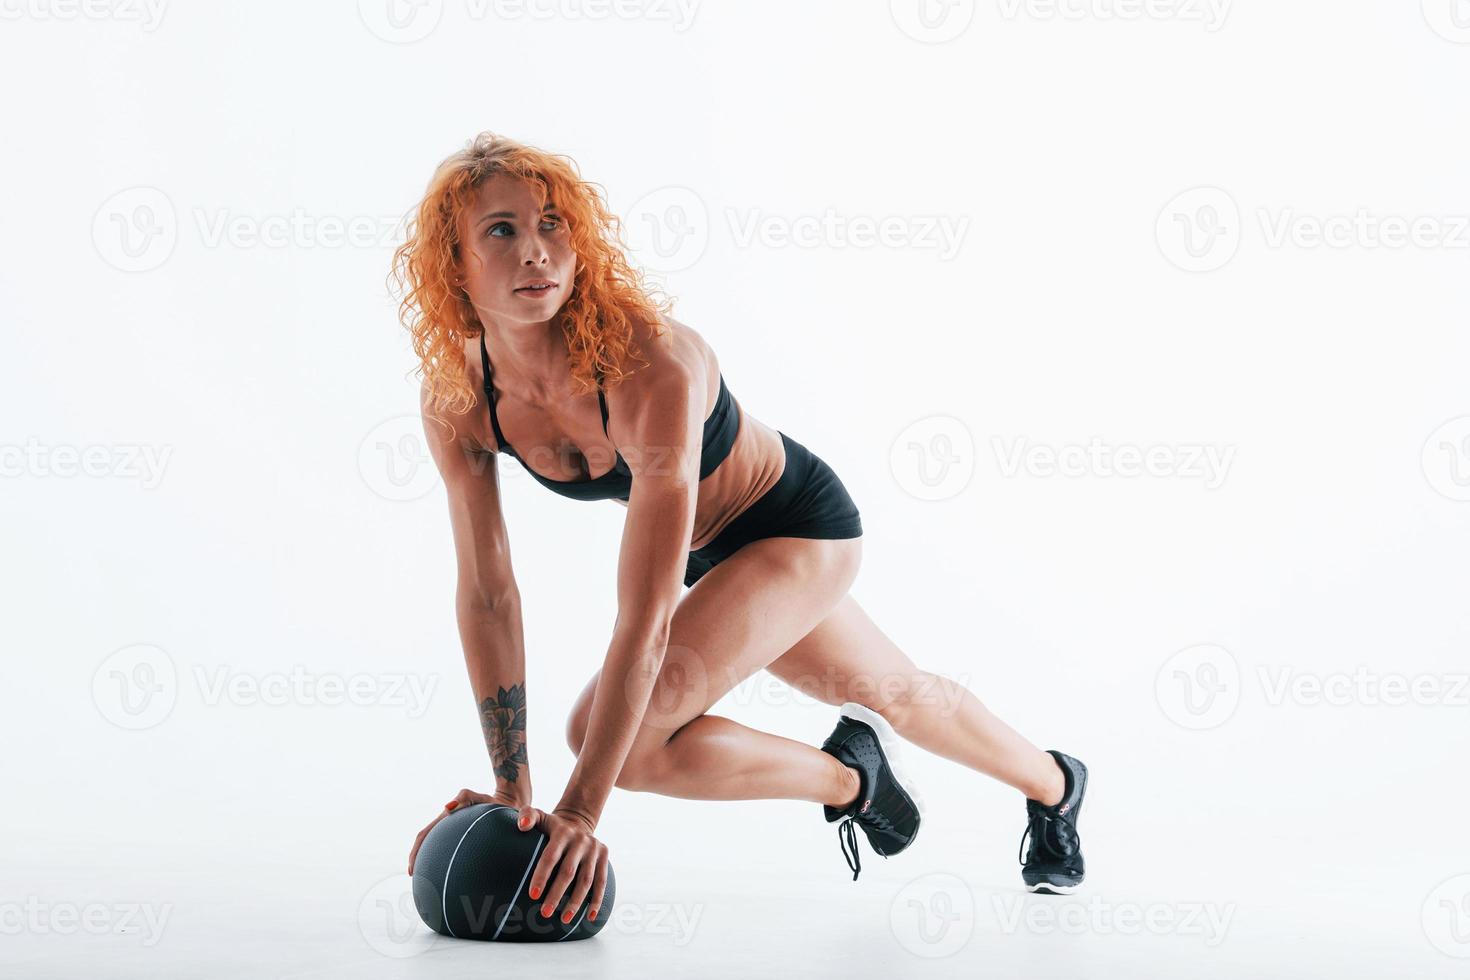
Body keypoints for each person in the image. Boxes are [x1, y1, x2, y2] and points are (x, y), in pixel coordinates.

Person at [395, 133, 1088, 925]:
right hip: (715, 556)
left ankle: (918, 785)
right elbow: (488, 596)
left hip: (797, 529)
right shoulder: (460, 397)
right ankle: (1016, 784)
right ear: (453, 263)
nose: (537, 252)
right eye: (502, 230)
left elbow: (646, 613)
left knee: (611, 737)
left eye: (554, 224)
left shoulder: (647, 364)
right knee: (898, 693)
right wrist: (512, 790)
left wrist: (580, 810)